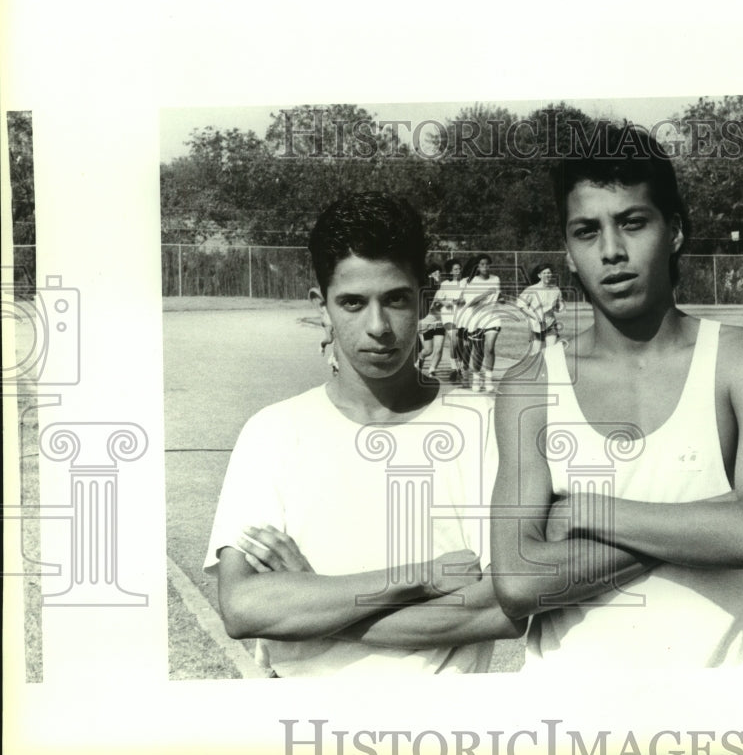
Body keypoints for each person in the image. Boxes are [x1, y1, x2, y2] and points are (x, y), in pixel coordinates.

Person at [490, 124, 743, 671]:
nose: (611, 251)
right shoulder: (530, 385)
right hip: (566, 721)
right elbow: (517, 582)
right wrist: (714, 524)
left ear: (675, 230)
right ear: (566, 250)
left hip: (716, 720)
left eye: (632, 222)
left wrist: (589, 511)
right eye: (587, 231)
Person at [203, 192, 523, 677]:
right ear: (322, 306)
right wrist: (418, 577)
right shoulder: (272, 431)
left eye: (395, 299)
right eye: (352, 303)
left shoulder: (483, 426)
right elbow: (245, 606)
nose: (378, 327)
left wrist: (313, 599)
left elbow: (501, 608)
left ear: (425, 300)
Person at [457, 254, 503, 392]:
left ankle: (488, 381)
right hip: (476, 320)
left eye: (487, 264)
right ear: (477, 266)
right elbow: (470, 303)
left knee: (489, 348)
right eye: (482, 264)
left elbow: (497, 295)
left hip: (492, 318)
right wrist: (485, 294)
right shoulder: (472, 282)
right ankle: (476, 378)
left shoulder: (496, 279)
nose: (485, 267)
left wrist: (499, 298)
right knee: (478, 352)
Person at [518, 262, 565, 349]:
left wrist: (560, 306)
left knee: (551, 350)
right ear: (539, 275)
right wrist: (534, 316)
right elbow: (521, 305)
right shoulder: (531, 289)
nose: (547, 275)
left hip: (550, 323)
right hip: (536, 325)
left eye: (549, 273)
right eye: (544, 273)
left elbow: (559, 304)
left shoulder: (556, 289)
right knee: (536, 352)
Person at [434, 258, 466, 383]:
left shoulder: (465, 283)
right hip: (448, 315)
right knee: (454, 339)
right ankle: (454, 368)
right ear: (451, 272)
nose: (458, 271)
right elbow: (439, 300)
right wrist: (448, 302)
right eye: (455, 269)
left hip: (462, 316)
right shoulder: (445, 284)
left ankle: (460, 368)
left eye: (459, 269)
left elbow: (468, 298)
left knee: (462, 344)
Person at [416, 263, 446, 378]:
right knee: (428, 350)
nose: (438, 274)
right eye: (435, 272)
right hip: (425, 321)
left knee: (438, 348)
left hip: (439, 321)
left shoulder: (440, 286)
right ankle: (420, 360)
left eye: (439, 272)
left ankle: (432, 370)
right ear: (430, 274)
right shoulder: (428, 284)